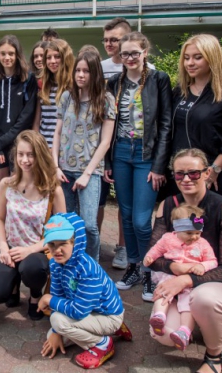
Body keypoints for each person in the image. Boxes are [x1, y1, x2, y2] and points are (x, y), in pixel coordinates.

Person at [148, 148, 222, 373]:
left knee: (205, 298)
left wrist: (185, 280)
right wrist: (173, 267)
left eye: (193, 173)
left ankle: (214, 356)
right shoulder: (168, 204)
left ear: (206, 173)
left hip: (221, 286)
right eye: (179, 174)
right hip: (178, 282)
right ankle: (193, 325)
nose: (186, 179)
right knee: (162, 335)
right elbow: (153, 255)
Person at [104, 32, 173, 301]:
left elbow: (166, 124)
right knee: (127, 214)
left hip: (146, 156)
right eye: (125, 54)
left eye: (135, 53)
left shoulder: (159, 80)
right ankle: (133, 266)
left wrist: (159, 166)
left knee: (143, 220)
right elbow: (108, 125)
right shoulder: (115, 82)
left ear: (145, 52)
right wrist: (108, 161)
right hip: (121, 152)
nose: (130, 58)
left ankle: (149, 271)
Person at [0, 131, 65, 319]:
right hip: (10, 249)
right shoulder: (7, 184)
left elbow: (61, 234)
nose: (25, 160)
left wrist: (29, 251)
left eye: (31, 155)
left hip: (36, 252)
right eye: (21, 154)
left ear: (40, 155)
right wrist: (3, 247)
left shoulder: (53, 190)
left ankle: (35, 295)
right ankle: (12, 284)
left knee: (32, 269)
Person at [38, 213, 125, 370]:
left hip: (107, 315)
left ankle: (103, 344)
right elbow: (58, 294)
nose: (56, 250)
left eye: (62, 244)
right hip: (88, 310)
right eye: (51, 244)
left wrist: (48, 299)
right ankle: (101, 333)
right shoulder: (56, 263)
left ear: (76, 242)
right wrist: (57, 333)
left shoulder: (87, 270)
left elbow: (77, 311)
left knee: (58, 320)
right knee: (52, 334)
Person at [52, 51, 116, 262]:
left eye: (86, 71)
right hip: (64, 171)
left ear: (95, 72)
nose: (80, 75)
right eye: (77, 70)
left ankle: (92, 266)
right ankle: (70, 263)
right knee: (67, 224)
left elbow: (105, 141)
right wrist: (55, 166)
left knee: (89, 225)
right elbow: (58, 132)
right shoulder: (66, 96)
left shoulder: (105, 99)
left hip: (89, 172)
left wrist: (87, 174)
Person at [169, 34, 222, 199]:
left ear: (212, 58)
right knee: (180, 222)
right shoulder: (179, 92)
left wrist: (214, 170)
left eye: (197, 57)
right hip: (180, 175)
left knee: (204, 222)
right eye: (186, 58)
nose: (190, 63)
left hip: (209, 176)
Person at [145, 204, 217, 350]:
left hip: (189, 282)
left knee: (187, 305)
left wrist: (203, 266)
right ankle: (159, 316)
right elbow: (157, 249)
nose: (195, 237)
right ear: (177, 229)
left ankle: (184, 331)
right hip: (169, 275)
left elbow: (213, 261)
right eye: (189, 233)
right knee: (162, 292)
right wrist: (149, 257)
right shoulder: (167, 238)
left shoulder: (202, 244)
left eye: (198, 232)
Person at [99, 18, 134, 270]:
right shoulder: (99, 68)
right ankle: (95, 245)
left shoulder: (146, 69)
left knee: (124, 202)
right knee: (98, 200)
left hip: (126, 145)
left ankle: (122, 247)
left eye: (116, 39)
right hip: (99, 144)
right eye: (107, 39)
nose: (110, 44)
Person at [0, 35, 38, 190]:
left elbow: (26, 117)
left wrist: (2, 141)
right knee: (2, 194)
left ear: (17, 55)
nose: (6, 57)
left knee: (20, 194)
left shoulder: (28, 79)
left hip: (19, 145)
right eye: (3, 54)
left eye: (11, 53)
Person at [34, 39, 74, 149]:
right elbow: (37, 122)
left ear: (65, 58)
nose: (52, 61)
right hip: (44, 147)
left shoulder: (73, 86)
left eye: (57, 56)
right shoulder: (43, 85)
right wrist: (38, 146)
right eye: (48, 57)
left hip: (65, 148)